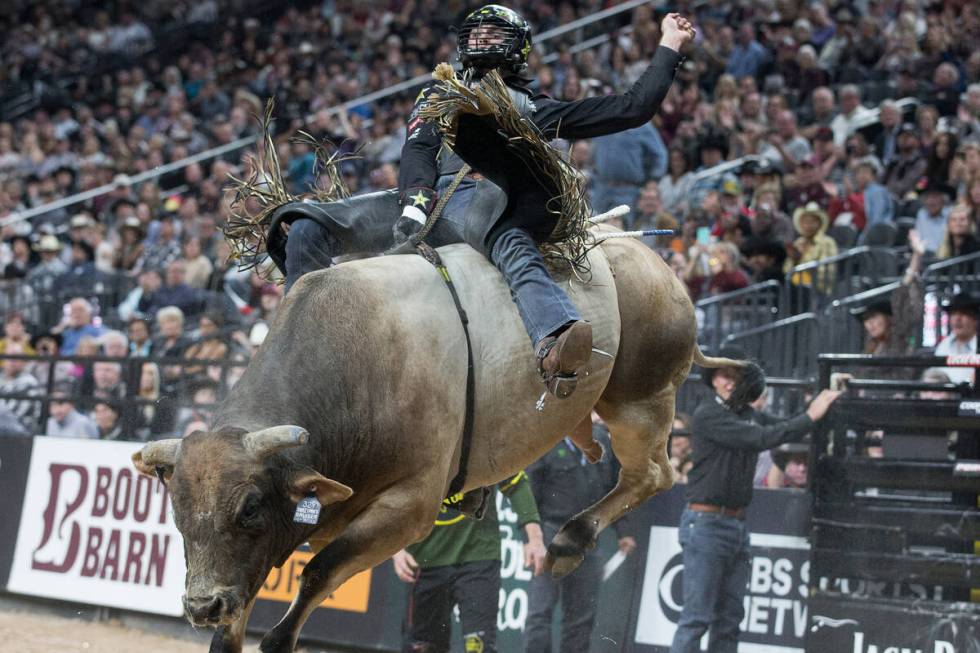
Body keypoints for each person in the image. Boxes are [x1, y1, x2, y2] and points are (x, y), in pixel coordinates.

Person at [273, 6, 695, 399]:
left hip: (487, 204)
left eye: (493, 33)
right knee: (307, 223)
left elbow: (632, 108)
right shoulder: (441, 90)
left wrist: (669, 45)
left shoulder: (533, 108)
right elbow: (418, 147)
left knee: (514, 248)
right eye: (474, 33)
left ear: (518, 46)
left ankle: (555, 336)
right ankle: (297, 341)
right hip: (422, 199)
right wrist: (416, 200)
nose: (480, 39)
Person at [669, 347, 840, 653]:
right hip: (707, 523)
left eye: (736, 376)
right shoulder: (707, 414)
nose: (730, 382)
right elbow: (763, 437)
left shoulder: (746, 414)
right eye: (724, 375)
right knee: (697, 618)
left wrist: (827, 398)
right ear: (713, 379)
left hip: (732, 523)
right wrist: (813, 413)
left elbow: (783, 425)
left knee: (730, 618)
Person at [392, 472, 546, 653]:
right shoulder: (417, 446)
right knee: (423, 646)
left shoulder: (485, 443)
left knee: (478, 647)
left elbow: (516, 482)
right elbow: (390, 491)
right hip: (424, 561)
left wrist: (535, 538)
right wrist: (394, 548)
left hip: (479, 556)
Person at [523, 418, 637, 653]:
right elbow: (529, 493)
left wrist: (623, 531)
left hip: (587, 538)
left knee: (582, 614)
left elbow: (613, 490)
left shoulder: (602, 443)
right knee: (541, 610)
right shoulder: (547, 442)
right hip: (553, 532)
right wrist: (531, 537)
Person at [934, 292, 979, 385]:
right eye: (953, 314)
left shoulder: (978, 345)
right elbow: (934, 375)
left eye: (963, 314)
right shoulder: (944, 345)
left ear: (975, 319)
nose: (958, 318)